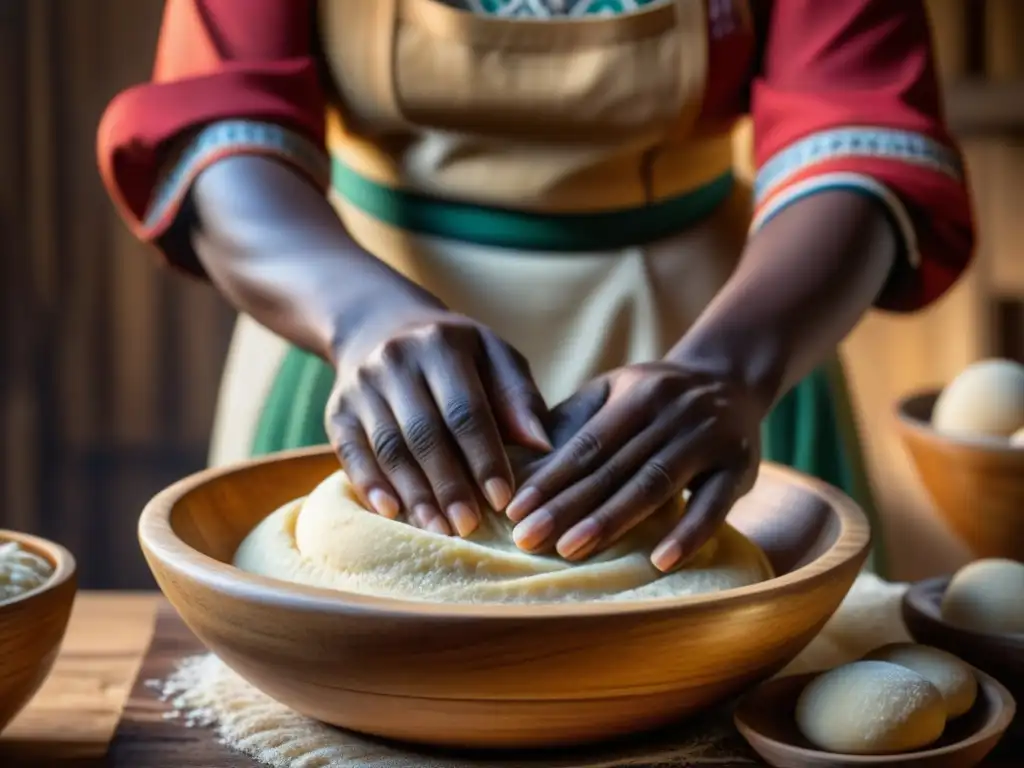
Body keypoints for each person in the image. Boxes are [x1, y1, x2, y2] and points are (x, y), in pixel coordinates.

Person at [97, 0, 973, 576]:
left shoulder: (732, 360)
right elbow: (218, 117)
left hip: (721, 343)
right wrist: (361, 316)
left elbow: (861, 129)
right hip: (358, 344)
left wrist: (734, 367)